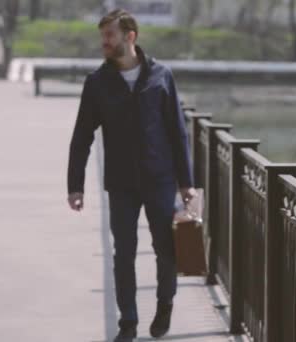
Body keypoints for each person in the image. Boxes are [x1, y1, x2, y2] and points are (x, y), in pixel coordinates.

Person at [66, 9, 196, 342]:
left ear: (130, 36)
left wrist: (187, 183)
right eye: (103, 36)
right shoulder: (98, 83)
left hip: (160, 179)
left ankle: (164, 304)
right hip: (121, 183)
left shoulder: (161, 76)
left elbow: (177, 132)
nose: (104, 43)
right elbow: (82, 135)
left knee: (166, 250)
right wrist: (75, 186)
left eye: (109, 36)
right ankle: (129, 322)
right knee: (123, 253)